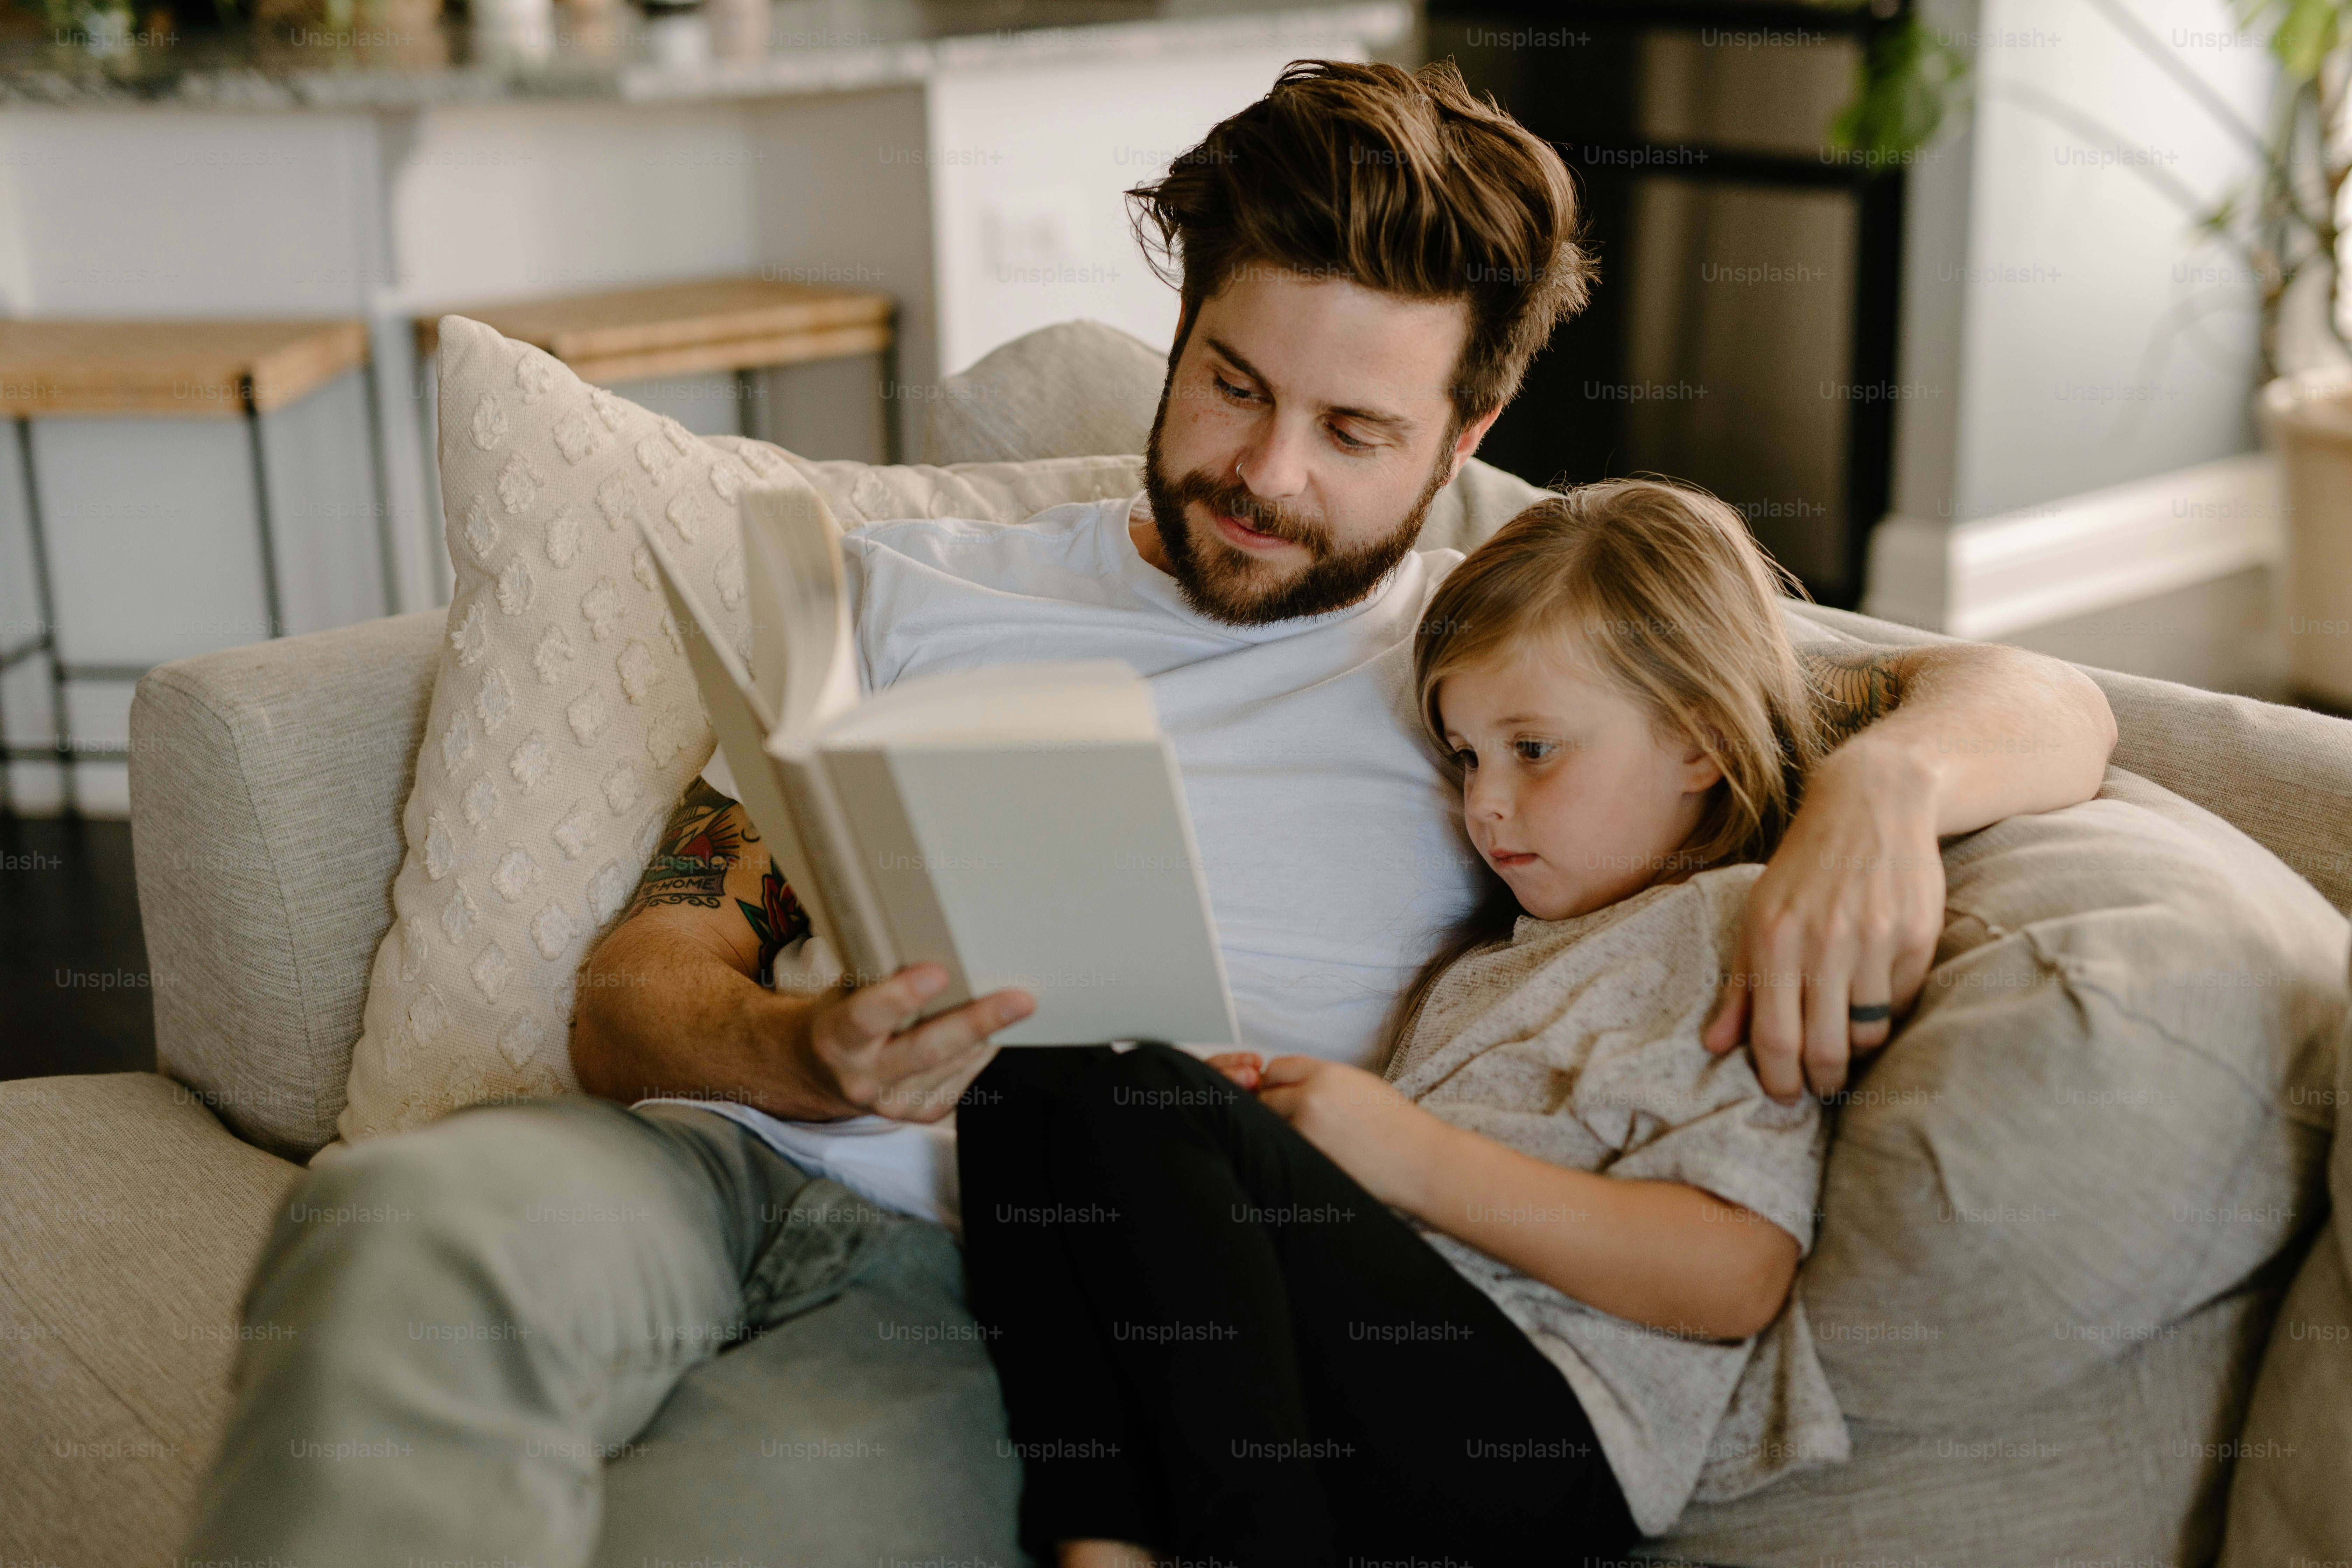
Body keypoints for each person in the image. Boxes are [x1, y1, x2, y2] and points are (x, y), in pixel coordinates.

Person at [183, 61, 2116, 1566]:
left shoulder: (1525, 664)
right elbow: (637, 993)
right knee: (393, 1234)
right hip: (703, 1168)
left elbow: (2065, 702)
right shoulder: (909, 589)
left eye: (1356, 435)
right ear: (1184, 329)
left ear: (1464, 442)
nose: (1265, 475)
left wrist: (1888, 779)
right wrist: (796, 1042)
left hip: (1037, 1287)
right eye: (1231, 386)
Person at [959, 479, 1847, 1568]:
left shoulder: (1734, 923)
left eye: (1535, 749)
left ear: (1700, 744)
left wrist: (1409, 1154)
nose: (1484, 803)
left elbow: (1735, 1277)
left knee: (1141, 1096)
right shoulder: (1498, 955)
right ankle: (1102, 1545)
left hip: (1545, 1431)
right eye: (1467, 756)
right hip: (1387, 1380)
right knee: (1024, 1083)